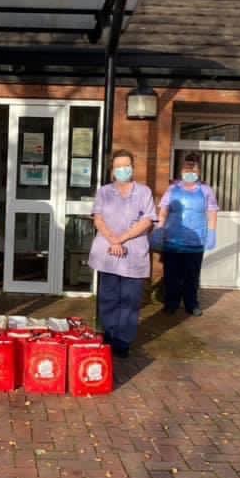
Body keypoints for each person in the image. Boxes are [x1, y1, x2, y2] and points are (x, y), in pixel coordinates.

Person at [88, 149, 157, 359]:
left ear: (133, 167)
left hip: (133, 254)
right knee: (108, 298)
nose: (122, 170)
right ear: (112, 170)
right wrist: (112, 239)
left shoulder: (143, 192)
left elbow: (147, 221)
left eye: (126, 165)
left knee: (130, 300)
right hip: (108, 253)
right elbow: (98, 218)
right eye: (118, 167)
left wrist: (122, 239)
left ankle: (123, 341)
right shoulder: (104, 192)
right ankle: (108, 336)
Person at [158, 152, 219, 316]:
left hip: (195, 241)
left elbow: (212, 212)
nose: (189, 172)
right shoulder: (172, 189)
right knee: (172, 275)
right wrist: (159, 230)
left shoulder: (205, 190)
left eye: (193, 169)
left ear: (199, 171)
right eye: (186, 168)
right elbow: (163, 211)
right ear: (181, 170)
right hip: (172, 240)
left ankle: (191, 304)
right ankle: (171, 303)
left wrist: (212, 232)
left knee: (191, 276)